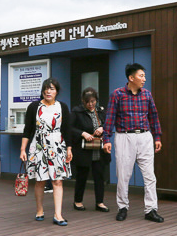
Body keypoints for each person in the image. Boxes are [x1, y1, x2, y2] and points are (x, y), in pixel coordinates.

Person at [103, 63, 164, 223]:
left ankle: (151, 209)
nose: (144, 79)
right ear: (131, 78)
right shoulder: (117, 94)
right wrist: (106, 139)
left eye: (144, 76)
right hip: (124, 137)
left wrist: (157, 137)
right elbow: (110, 117)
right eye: (141, 76)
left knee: (150, 176)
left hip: (145, 137)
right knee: (123, 175)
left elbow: (153, 116)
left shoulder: (147, 95)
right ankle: (122, 207)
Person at [20, 78, 72, 225]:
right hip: (38, 146)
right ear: (42, 90)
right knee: (40, 181)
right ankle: (39, 210)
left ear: (57, 91)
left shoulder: (62, 107)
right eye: (46, 89)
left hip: (57, 146)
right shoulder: (34, 107)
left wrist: (69, 148)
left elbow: (67, 129)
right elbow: (28, 130)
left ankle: (58, 215)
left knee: (58, 181)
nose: (49, 91)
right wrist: (23, 149)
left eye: (52, 89)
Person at [69, 87, 110, 212]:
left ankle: (100, 202)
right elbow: (69, 128)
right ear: (83, 101)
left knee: (99, 176)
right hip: (83, 149)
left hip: (99, 149)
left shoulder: (101, 111)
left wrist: (102, 128)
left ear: (96, 100)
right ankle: (78, 201)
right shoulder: (77, 112)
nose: (90, 104)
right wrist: (83, 133)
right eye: (87, 102)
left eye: (93, 101)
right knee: (82, 176)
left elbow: (109, 124)